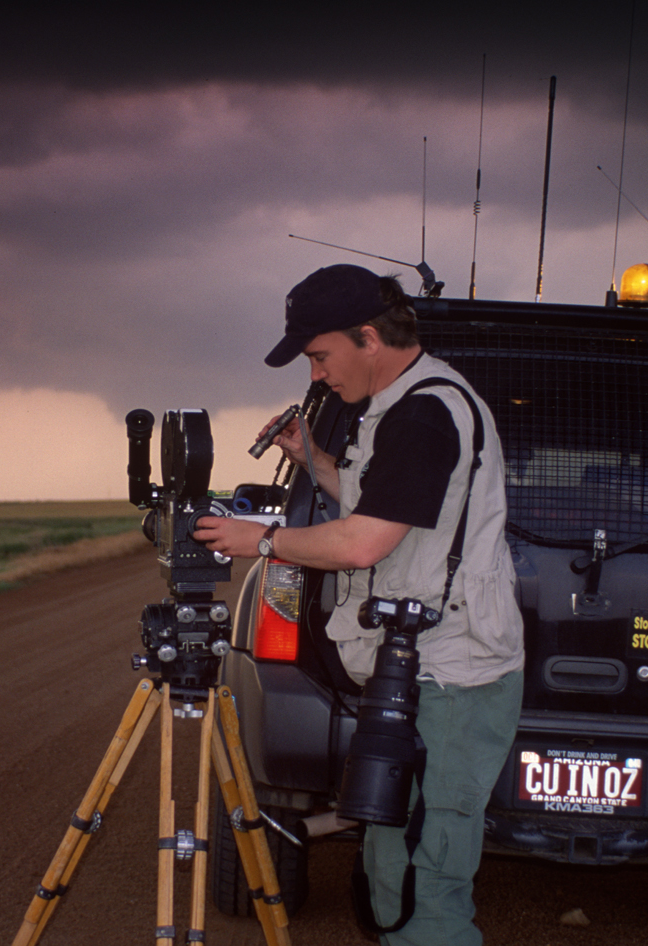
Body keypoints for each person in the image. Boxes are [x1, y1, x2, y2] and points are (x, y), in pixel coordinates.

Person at [193, 263, 524, 946]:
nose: (316, 376)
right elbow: (389, 506)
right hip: (421, 669)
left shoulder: (427, 413)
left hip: (452, 680)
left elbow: (366, 542)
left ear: (368, 337)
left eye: (320, 356)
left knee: (423, 891)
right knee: (390, 864)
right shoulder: (408, 403)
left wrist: (263, 540)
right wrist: (313, 459)